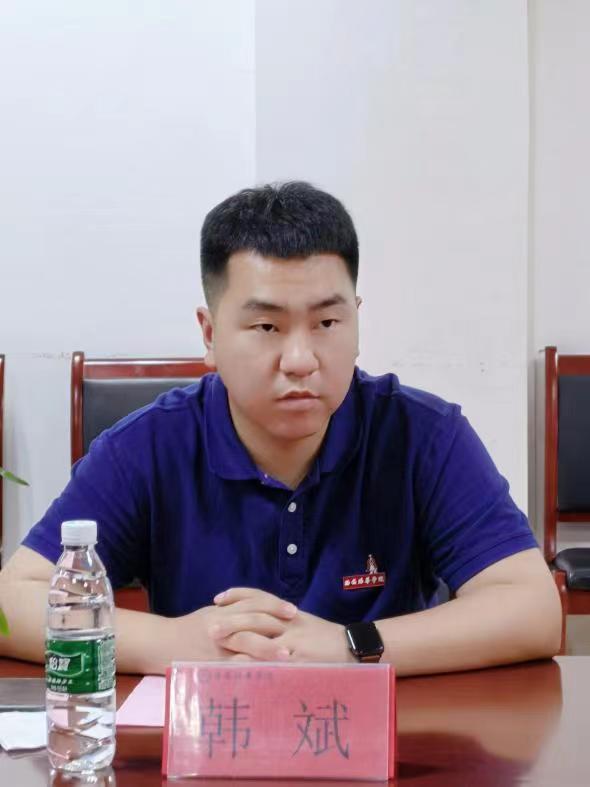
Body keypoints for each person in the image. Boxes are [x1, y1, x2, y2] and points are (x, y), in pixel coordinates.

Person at [0, 182, 561, 675]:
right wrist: (175, 643)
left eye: (327, 322)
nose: (300, 359)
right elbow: (14, 601)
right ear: (209, 333)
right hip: (213, 734)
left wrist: (349, 645)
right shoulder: (146, 448)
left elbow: (531, 608)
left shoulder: (424, 436)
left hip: (387, 737)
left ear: (357, 318)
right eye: (267, 326)